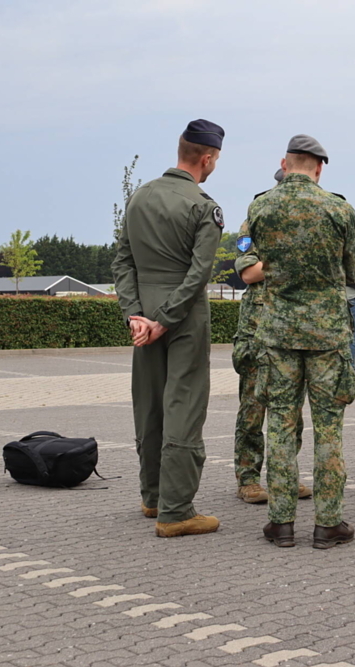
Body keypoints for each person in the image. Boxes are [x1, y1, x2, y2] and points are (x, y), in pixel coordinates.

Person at [242, 134, 355, 550]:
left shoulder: (260, 206)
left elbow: (251, 263)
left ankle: (280, 523)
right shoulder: (339, 209)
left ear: (285, 162)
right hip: (327, 334)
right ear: (319, 167)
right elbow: (354, 273)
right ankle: (328, 524)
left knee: (279, 426)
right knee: (329, 430)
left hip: (278, 333)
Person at [111, 119, 225, 538]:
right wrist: (165, 319)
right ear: (208, 158)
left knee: (149, 402)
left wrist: (136, 315)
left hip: (145, 315)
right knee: (184, 404)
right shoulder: (202, 205)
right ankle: (177, 511)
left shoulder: (140, 196)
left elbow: (122, 261)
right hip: (183, 318)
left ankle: (153, 495)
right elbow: (198, 276)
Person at [231, 174, 312, 504]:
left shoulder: (310, 225)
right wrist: (292, 257)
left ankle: (286, 475)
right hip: (258, 333)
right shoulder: (253, 223)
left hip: (295, 330)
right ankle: (248, 478)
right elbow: (249, 273)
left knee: (293, 414)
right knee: (253, 411)